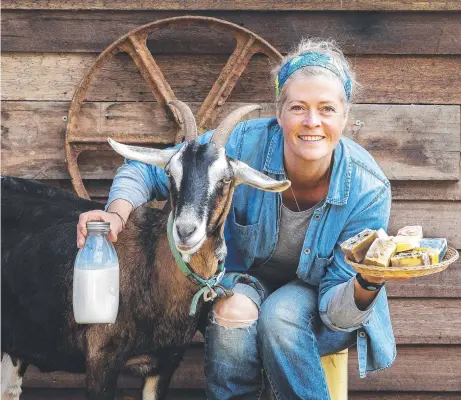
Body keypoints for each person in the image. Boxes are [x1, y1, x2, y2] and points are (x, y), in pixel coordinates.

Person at [77, 38, 404, 400]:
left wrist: (369, 283)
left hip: (323, 301)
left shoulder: (368, 189)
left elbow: (339, 314)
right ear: (279, 114)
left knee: (280, 315)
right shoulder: (240, 144)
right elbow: (146, 171)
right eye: (298, 107)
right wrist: (115, 215)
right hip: (242, 280)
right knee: (232, 309)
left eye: (327, 109)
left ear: (345, 116)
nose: (312, 121)